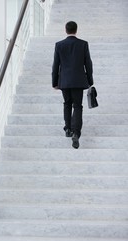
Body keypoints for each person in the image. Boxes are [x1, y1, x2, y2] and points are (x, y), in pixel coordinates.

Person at [52, 21, 93, 149]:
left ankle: (68, 129)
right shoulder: (83, 44)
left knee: (67, 104)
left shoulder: (59, 45)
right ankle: (76, 133)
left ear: (66, 30)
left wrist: (55, 82)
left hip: (64, 81)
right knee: (78, 106)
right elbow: (88, 64)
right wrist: (90, 81)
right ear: (76, 30)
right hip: (78, 81)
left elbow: (55, 65)